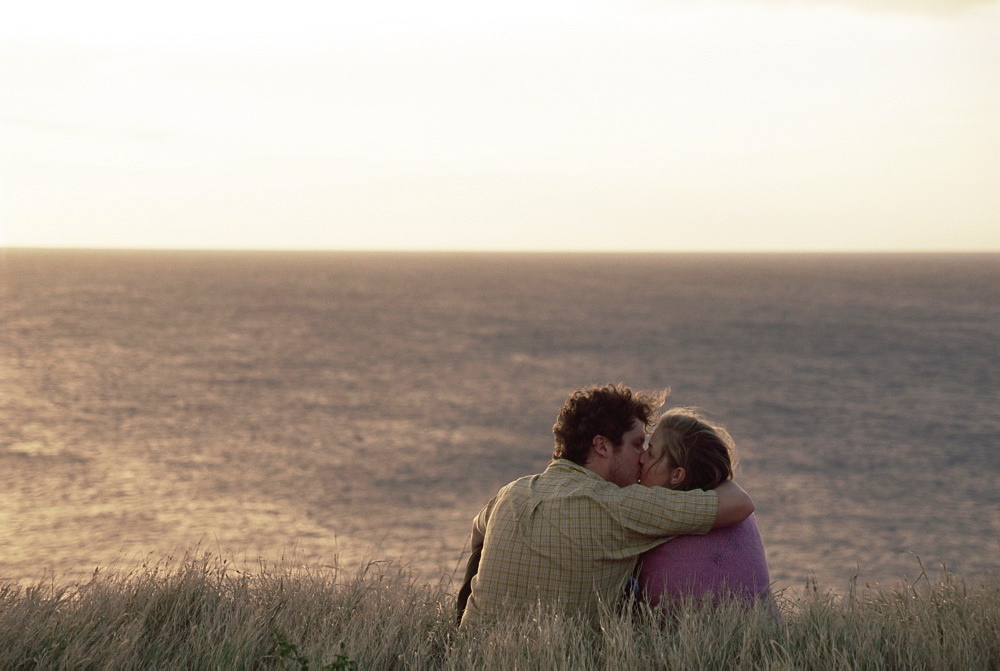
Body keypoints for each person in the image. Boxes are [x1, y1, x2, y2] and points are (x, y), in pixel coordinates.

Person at [456, 383, 755, 626]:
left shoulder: (512, 491)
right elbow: (740, 504)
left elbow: (477, 533)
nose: (642, 457)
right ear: (601, 446)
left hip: (472, 656)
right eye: (637, 445)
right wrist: (713, 467)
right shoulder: (619, 507)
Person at [635, 408, 771, 608]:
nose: (641, 458)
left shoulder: (655, 514)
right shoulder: (733, 510)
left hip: (688, 636)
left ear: (676, 475)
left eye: (651, 453)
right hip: (764, 634)